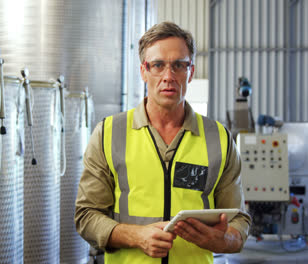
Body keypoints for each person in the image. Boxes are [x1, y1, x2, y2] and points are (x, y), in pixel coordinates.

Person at [74, 21, 251, 264]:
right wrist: (136, 236)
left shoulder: (218, 138)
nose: (168, 76)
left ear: (191, 72)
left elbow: (239, 220)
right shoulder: (109, 133)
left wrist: (223, 240)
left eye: (179, 65)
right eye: (158, 65)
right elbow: (86, 216)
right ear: (143, 71)